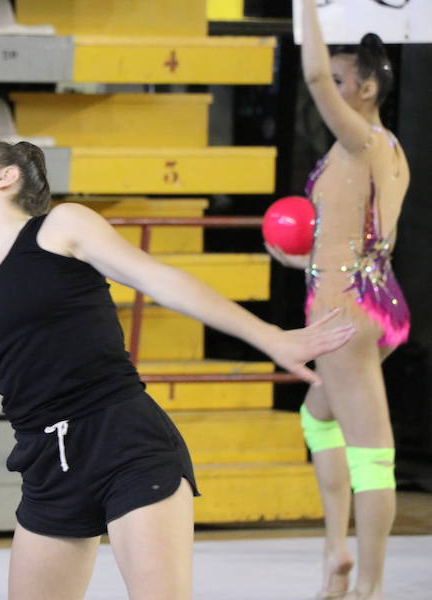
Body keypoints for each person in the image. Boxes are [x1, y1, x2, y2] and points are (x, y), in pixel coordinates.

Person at [0, 139, 356, 599]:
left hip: (126, 445)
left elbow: (159, 279)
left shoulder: (61, 227)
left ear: (5, 177)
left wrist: (268, 337)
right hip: (48, 472)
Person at [265, 3, 410, 600]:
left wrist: (306, 10)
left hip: (346, 314)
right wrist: (298, 260)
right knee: (317, 417)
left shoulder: (360, 138)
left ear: (368, 87)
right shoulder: (389, 149)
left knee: (372, 454)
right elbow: (366, 237)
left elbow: (316, 77)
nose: (332, 83)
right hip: (368, 298)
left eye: (345, 77)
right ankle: (337, 552)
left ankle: (369, 586)